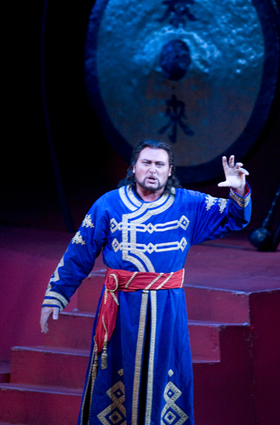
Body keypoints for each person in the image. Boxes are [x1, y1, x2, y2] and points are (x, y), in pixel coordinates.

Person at [40, 139, 251, 425]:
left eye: (159, 164)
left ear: (170, 170)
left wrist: (239, 188)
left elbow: (235, 217)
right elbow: (80, 251)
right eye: (146, 163)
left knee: (165, 378)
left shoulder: (189, 203)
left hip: (167, 311)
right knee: (114, 380)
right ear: (134, 167)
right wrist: (56, 294)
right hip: (121, 309)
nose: (152, 170)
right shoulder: (108, 204)